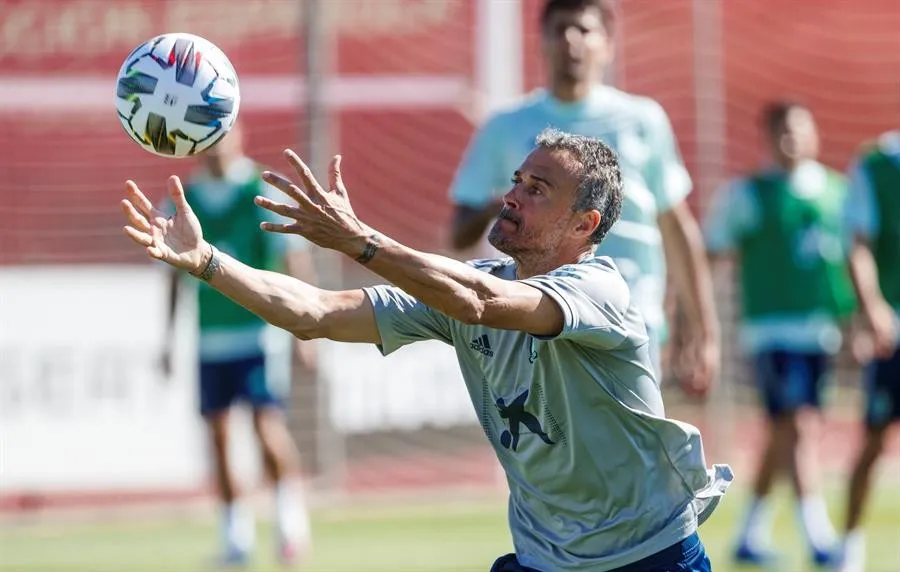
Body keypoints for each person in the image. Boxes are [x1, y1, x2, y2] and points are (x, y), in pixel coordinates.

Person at [121, 128, 732, 571]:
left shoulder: (601, 287)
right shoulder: (467, 284)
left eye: (538, 189)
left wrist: (362, 240)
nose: (513, 195)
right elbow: (314, 313)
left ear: (584, 226)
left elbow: (482, 303)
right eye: (517, 180)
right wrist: (207, 262)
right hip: (546, 560)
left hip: (649, 556)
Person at [448, 0, 719, 393]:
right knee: (547, 447)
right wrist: (506, 203)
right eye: (559, 29)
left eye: (584, 30)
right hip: (536, 320)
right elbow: (458, 231)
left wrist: (703, 330)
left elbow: (676, 227)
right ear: (541, 42)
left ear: (608, 45)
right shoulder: (504, 127)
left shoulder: (643, 120)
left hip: (628, 320)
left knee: (631, 450)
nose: (571, 40)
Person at [703, 101, 856, 566]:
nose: (791, 140)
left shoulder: (836, 192)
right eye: (782, 132)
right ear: (767, 138)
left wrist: (855, 321)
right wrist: (694, 311)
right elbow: (711, 251)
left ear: (813, 134)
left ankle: (750, 533)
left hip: (821, 332)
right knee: (800, 426)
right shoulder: (749, 195)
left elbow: (851, 261)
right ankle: (820, 538)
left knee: (782, 433)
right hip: (771, 331)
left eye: (799, 130)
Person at [160, 125, 313, 566]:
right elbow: (173, 276)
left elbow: (291, 260)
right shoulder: (183, 198)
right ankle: (235, 537)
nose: (214, 146)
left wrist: (305, 328)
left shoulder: (254, 189)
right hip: (211, 339)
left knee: (267, 428)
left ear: (237, 135)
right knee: (220, 436)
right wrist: (169, 339)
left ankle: (290, 523)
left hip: (257, 335)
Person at [831, 130, 900, 572]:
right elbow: (858, 246)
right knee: (874, 441)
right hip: (893, 331)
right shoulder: (875, 166)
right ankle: (849, 547)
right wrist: (871, 308)